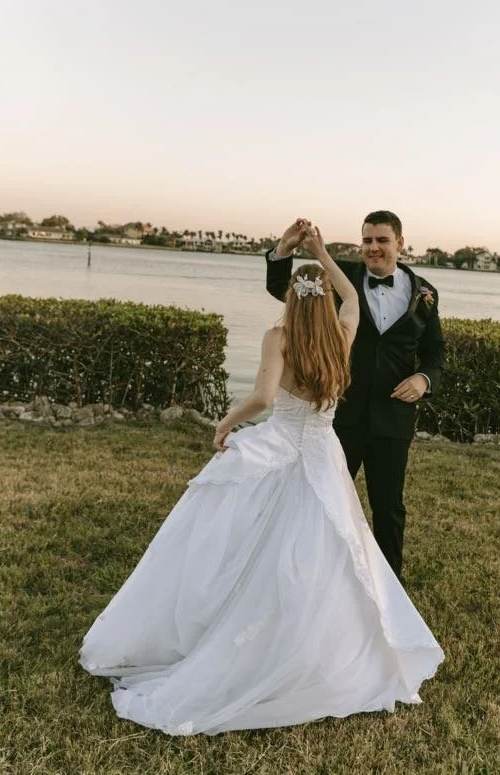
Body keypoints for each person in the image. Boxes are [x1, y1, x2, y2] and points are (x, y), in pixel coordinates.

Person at [80, 225, 444, 736]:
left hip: (283, 445)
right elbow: (348, 294)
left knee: (245, 532)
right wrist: (323, 258)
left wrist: (227, 423)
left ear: (292, 302)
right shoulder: (344, 332)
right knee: (330, 544)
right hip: (324, 453)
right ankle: (325, 642)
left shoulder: (280, 337)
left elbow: (264, 400)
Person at [266, 211, 445, 579]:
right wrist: (283, 249)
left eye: (381, 240)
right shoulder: (339, 277)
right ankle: (317, 578)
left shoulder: (425, 293)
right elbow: (284, 290)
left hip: (393, 417)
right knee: (324, 500)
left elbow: (435, 352)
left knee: (388, 506)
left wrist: (424, 380)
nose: (373, 248)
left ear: (400, 243)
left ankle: (389, 587)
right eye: (367, 241)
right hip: (339, 413)